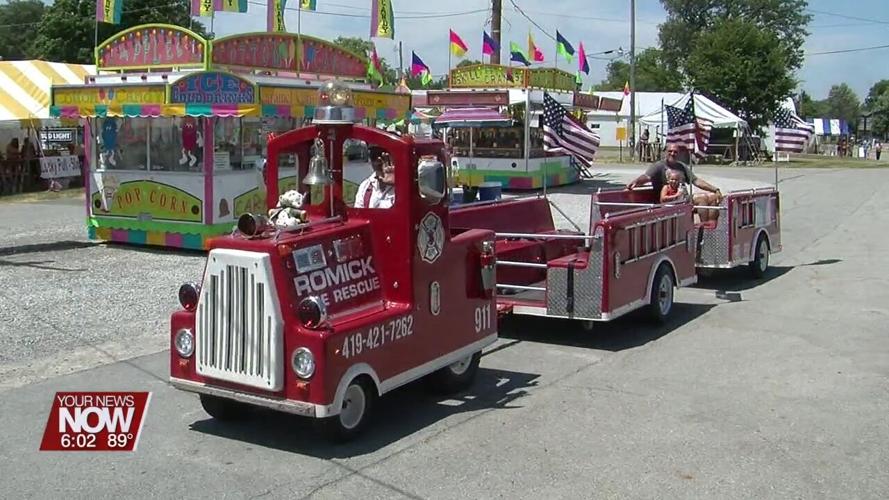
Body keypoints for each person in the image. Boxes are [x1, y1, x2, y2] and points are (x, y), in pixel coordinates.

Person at [627, 144, 723, 222]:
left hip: (683, 198)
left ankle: (710, 229)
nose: (672, 153)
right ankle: (702, 229)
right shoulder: (658, 166)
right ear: (665, 152)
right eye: (670, 151)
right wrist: (636, 182)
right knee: (702, 200)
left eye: (675, 152)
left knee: (713, 197)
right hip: (669, 200)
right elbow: (646, 177)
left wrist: (715, 189)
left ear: (678, 154)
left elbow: (696, 181)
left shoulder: (681, 166)